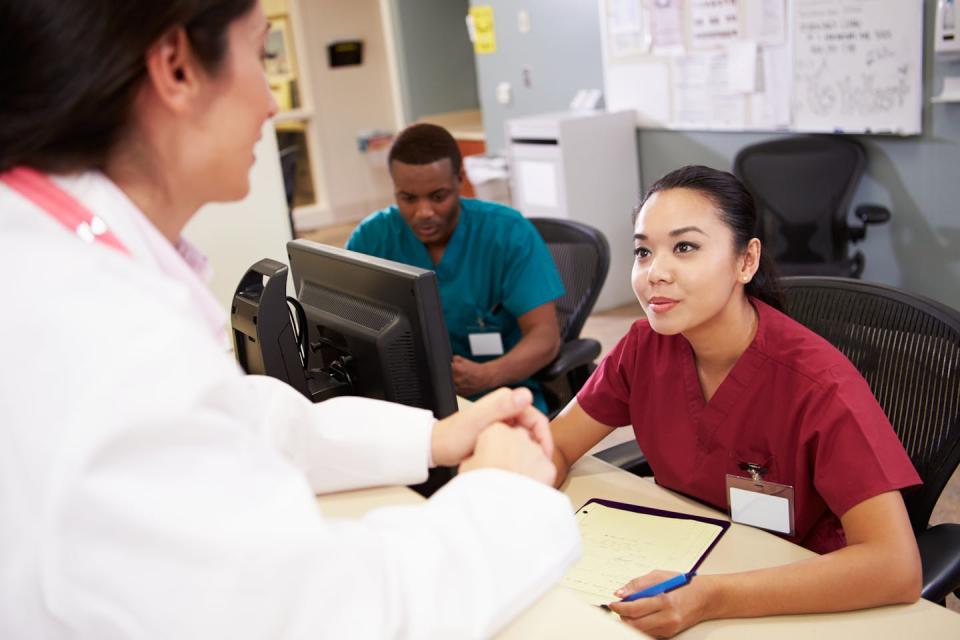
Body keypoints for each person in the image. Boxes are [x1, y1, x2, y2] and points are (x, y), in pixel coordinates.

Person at [0, 2, 581, 638]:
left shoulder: (54, 271)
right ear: (177, 68)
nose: (271, 103)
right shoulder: (106, 337)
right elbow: (325, 617)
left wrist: (434, 438)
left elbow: (245, 423)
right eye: (262, 54)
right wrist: (504, 497)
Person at [549, 165, 922, 637]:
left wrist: (712, 596)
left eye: (684, 247)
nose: (654, 273)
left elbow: (896, 567)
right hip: (685, 558)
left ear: (746, 262)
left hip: (798, 592)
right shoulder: (644, 346)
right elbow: (555, 446)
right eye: (643, 251)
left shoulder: (818, 384)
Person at [346, 124, 564, 413]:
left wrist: (488, 374)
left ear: (460, 180)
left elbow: (545, 337)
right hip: (406, 401)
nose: (423, 212)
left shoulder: (508, 233)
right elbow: (343, 325)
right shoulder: (372, 238)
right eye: (408, 198)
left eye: (438, 196)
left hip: (497, 397)